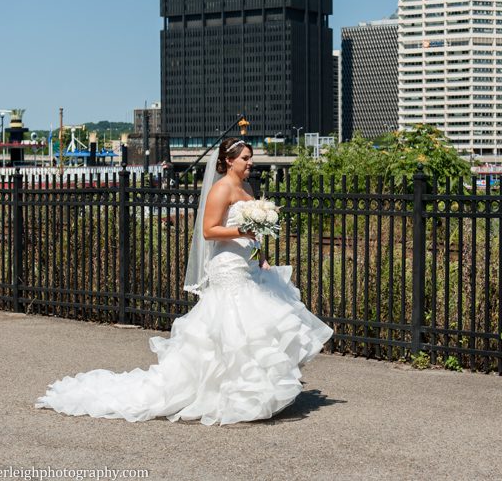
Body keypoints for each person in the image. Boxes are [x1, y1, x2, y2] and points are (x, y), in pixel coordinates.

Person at [36, 138, 333, 425]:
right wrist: (242, 232)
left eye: (250, 157)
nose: (250, 162)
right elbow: (209, 231)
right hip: (227, 268)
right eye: (245, 158)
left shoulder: (248, 187)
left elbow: (250, 232)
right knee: (232, 329)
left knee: (255, 329)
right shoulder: (221, 189)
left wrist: (261, 254)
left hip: (249, 264)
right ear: (229, 161)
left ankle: (249, 392)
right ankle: (228, 394)